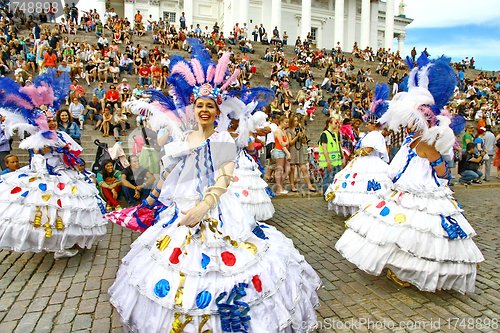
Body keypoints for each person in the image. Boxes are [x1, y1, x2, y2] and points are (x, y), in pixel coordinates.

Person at [106, 41, 321, 332]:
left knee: (224, 268)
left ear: (217, 110)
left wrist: (205, 206)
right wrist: (151, 200)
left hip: (217, 211)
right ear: (193, 109)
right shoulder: (184, 139)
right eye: (200, 105)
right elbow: (171, 173)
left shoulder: (222, 139)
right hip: (181, 210)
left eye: (210, 105)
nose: (204, 109)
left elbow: (223, 177)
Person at [336, 54, 484, 293]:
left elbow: (433, 173)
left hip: (416, 193)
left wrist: (437, 164)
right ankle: (401, 269)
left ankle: (406, 270)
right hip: (410, 191)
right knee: (406, 233)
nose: (408, 125)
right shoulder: (416, 143)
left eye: (412, 122)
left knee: (412, 235)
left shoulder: (418, 143)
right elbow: (438, 173)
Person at [0, 69, 107, 259]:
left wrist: (74, 161)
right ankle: (54, 245)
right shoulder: (38, 137)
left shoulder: (62, 135)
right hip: (45, 175)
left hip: (64, 172)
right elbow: (39, 152)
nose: (53, 124)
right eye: (48, 122)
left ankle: (64, 243)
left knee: (70, 209)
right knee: (51, 210)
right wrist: (48, 142)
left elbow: (71, 153)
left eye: (53, 121)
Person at [325, 84, 392, 216]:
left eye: (367, 123)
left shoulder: (376, 135)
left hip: (370, 162)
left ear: (373, 124)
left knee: (367, 186)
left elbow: (368, 150)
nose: (366, 125)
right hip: (362, 161)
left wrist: (357, 152)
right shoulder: (369, 135)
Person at [286, 114, 317, 192]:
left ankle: (310, 185)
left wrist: (303, 135)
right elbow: (290, 142)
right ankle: (292, 186)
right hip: (292, 150)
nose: (296, 122)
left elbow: (303, 142)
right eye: (295, 121)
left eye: (297, 120)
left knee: (304, 169)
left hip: (299, 150)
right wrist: (297, 136)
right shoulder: (288, 131)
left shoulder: (300, 129)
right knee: (292, 170)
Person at [319, 116, 342, 194]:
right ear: (330, 123)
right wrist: (328, 162)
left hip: (336, 162)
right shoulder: (324, 134)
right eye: (335, 123)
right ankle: (326, 194)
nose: (337, 124)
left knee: (338, 179)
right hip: (330, 162)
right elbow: (324, 149)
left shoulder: (334, 135)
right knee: (327, 178)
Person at [273, 115, 291, 194]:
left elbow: (286, 142)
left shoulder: (284, 131)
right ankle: (279, 187)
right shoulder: (278, 131)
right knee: (279, 170)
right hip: (279, 151)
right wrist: (288, 153)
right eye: (285, 122)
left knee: (287, 170)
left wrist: (286, 143)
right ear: (281, 122)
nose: (287, 124)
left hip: (283, 151)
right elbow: (282, 144)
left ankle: (280, 186)